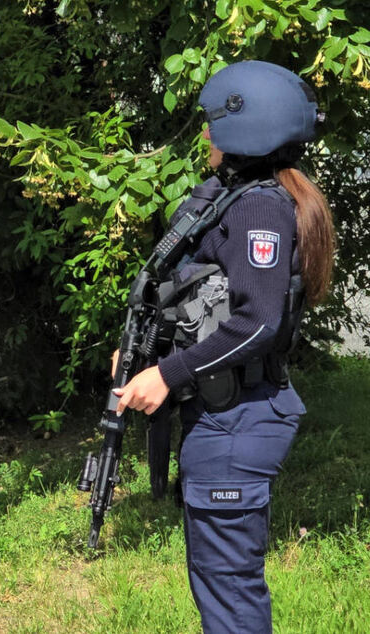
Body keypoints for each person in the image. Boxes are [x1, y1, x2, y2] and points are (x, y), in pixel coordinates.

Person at [112, 60, 334, 633]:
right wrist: (143, 357)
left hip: (238, 421)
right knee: (218, 584)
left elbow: (257, 322)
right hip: (224, 418)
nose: (206, 134)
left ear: (247, 128)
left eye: (214, 123)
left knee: (229, 596)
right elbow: (198, 304)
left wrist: (166, 376)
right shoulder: (234, 197)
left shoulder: (261, 206)